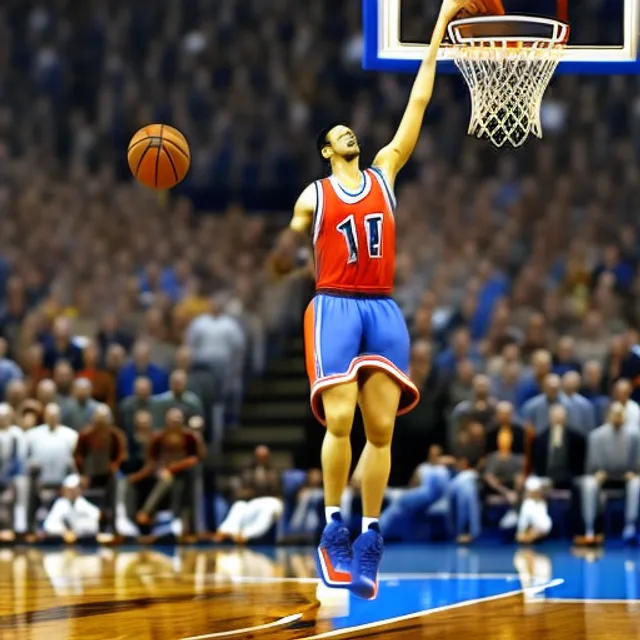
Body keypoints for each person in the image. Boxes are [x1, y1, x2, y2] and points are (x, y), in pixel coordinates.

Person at [269, 0, 470, 600]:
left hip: (381, 307)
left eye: (348, 128)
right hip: (333, 303)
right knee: (339, 418)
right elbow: (286, 248)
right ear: (327, 152)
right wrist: (284, 248)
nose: (347, 131)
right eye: (336, 134)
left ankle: (369, 539)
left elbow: (418, 103)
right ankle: (333, 529)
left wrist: (440, 25)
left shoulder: (384, 172)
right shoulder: (316, 193)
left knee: (380, 431)